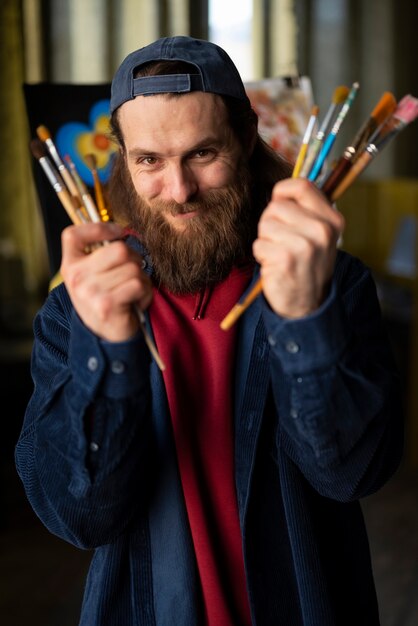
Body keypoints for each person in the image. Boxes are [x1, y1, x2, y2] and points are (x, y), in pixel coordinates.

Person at [16, 35, 403, 626]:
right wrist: (107, 349)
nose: (178, 190)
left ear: (247, 138)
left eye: (202, 154)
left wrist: (304, 316)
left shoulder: (330, 281)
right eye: (149, 160)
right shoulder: (77, 310)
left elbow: (351, 472)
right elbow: (80, 518)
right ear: (121, 157)